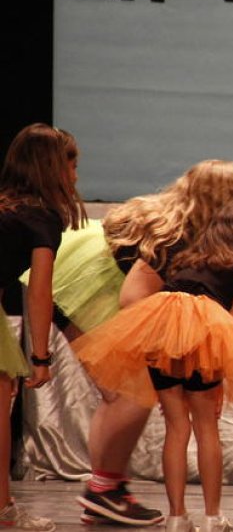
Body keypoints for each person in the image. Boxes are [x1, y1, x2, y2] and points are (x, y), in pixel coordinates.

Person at [74, 198, 233, 532]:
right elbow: (230, 324)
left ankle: (176, 516)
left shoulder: (189, 258)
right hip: (202, 330)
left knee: (176, 426)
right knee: (206, 426)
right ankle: (213, 517)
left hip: (162, 329)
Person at [0, 123, 85, 531]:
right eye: (72, 165)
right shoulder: (40, 217)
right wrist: (40, 357)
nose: (75, 176)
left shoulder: (6, 208)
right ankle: (3, 508)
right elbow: (39, 291)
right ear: (53, 167)